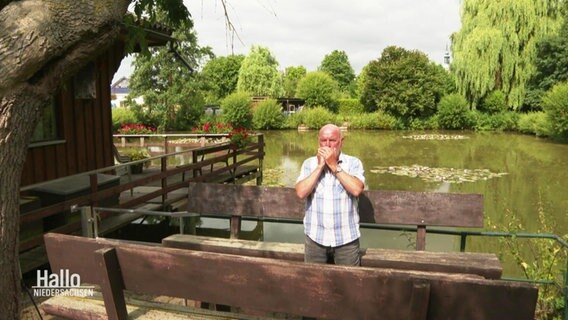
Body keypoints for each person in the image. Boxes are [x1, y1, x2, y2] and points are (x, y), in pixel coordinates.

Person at [295, 124, 365, 266]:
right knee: (314, 284)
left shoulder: (353, 163)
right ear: (318, 141)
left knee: (349, 284)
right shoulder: (309, 164)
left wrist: (334, 166)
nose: (327, 144)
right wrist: (320, 166)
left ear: (341, 141)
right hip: (315, 238)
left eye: (332, 140)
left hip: (346, 239)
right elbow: (301, 192)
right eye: (323, 140)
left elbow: (357, 189)